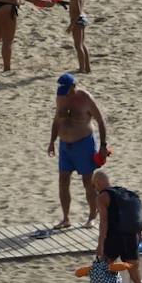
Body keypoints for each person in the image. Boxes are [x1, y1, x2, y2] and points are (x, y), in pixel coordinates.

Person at [49, 73, 107, 229]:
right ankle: (66, 218)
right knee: (63, 180)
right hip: (65, 146)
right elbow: (56, 121)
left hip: (84, 144)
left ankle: (92, 216)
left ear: (74, 87)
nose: (64, 95)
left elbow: (101, 122)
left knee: (88, 182)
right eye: (62, 92)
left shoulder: (85, 99)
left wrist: (103, 145)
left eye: (67, 91)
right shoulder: (61, 97)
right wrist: (52, 141)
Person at [91, 171, 142, 283]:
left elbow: (103, 222)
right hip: (131, 237)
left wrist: (100, 244)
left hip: (114, 238)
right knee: (135, 275)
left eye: (94, 185)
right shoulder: (125, 193)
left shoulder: (102, 197)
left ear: (97, 183)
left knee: (106, 267)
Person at [65, 0, 90, 74]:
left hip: (77, 21)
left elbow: (78, 12)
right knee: (82, 44)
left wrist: (71, 25)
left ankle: (82, 68)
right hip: (82, 19)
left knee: (78, 45)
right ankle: (87, 67)